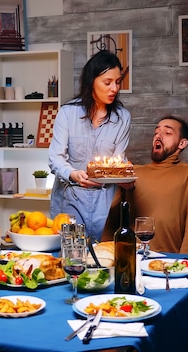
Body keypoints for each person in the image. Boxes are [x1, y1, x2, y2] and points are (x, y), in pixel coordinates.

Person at [48, 50, 131, 242]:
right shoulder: (68, 113)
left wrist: (125, 176)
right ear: (91, 80)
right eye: (107, 82)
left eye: (118, 82)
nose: (114, 88)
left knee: (101, 260)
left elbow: (118, 161)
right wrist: (73, 173)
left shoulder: (122, 118)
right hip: (69, 199)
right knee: (71, 258)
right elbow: (55, 158)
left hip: (105, 201)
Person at [101, 115, 188, 256]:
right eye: (156, 132)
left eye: (167, 133)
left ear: (182, 143)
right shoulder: (132, 172)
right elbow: (113, 221)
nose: (158, 136)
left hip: (167, 261)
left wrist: (184, 263)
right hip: (129, 259)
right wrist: (104, 258)